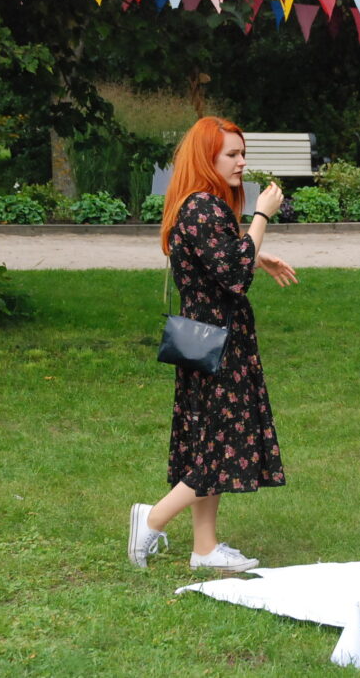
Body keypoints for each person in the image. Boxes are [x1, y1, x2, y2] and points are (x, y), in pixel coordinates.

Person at [128, 116, 297, 571]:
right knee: (224, 444)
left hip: (211, 341)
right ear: (208, 158)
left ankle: (204, 548)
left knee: (211, 441)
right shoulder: (203, 206)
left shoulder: (201, 205)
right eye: (232, 154)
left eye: (243, 154)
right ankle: (152, 517)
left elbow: (220, 261)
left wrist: (255, 254)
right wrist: (262, 216)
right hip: (218, 345)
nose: (242, 162)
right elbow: (234, 276)